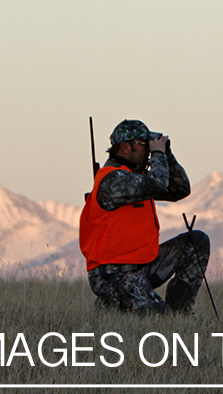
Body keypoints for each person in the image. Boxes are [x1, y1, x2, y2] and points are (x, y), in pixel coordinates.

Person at [79, 119, 210, 313]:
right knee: (157, 319)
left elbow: (179, 189)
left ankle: (179, 313)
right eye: (143, 145)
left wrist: (166, 154)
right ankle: (116, 301)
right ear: (125, 148)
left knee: (196, 241)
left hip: (141, 266)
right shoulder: (113, 180)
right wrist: (158, 153)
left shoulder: (133, 178)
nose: (147, 151)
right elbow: (156, 184)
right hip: (113, 274)